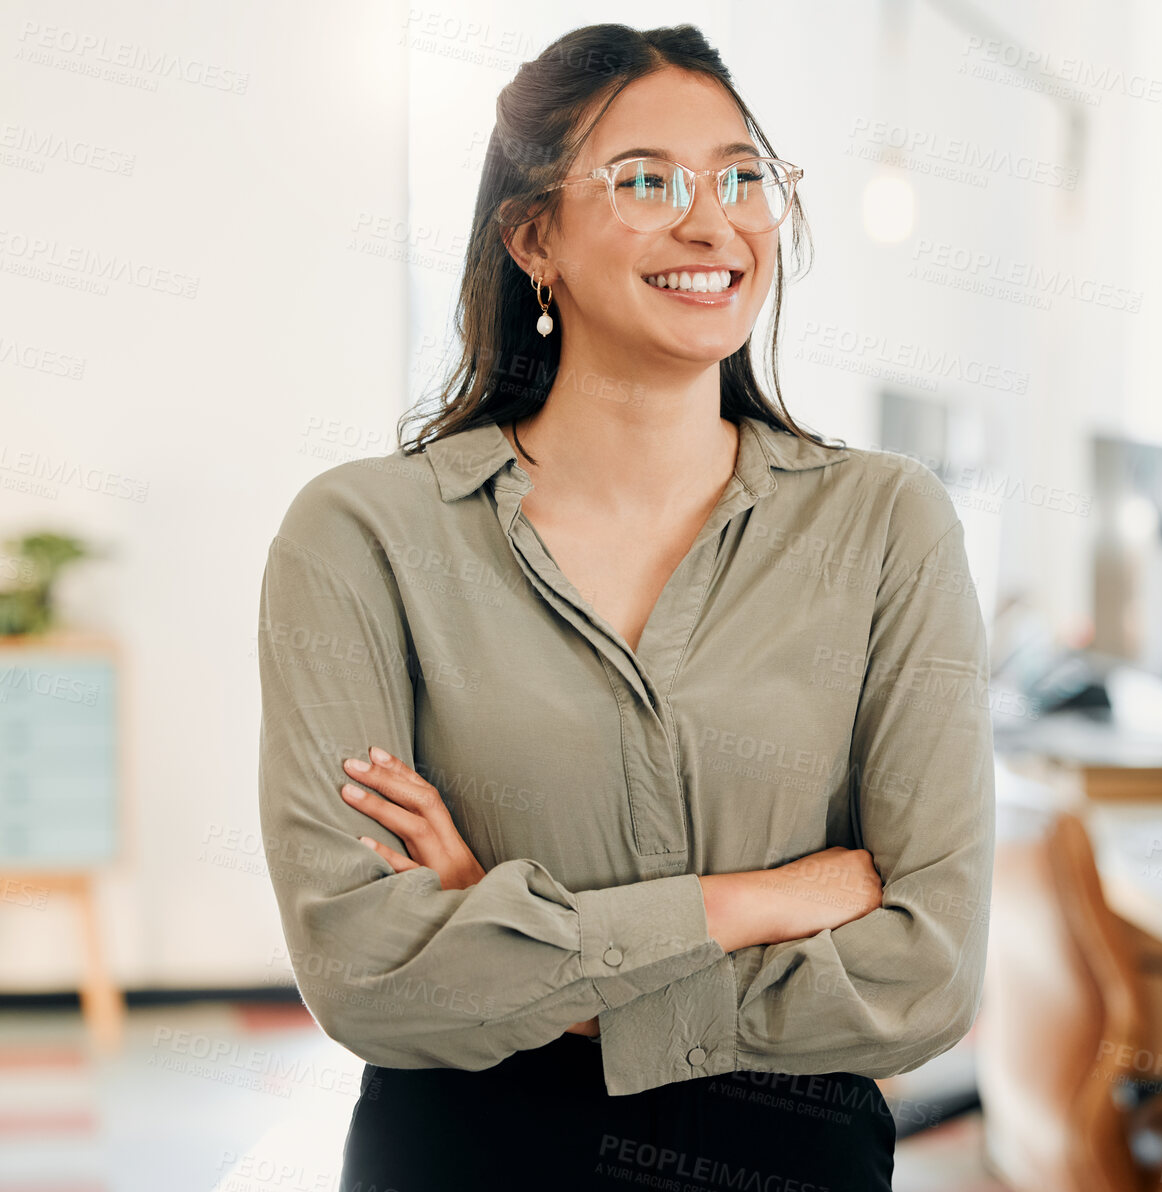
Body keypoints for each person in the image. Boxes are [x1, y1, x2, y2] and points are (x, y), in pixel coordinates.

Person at [255, 21, 995, 1191]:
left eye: (743, 177)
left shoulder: (888, 526)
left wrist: (516, 941)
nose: (714, 222)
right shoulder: (364, 537)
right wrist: (757, 901)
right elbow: (366, 975)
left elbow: (929, 974)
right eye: (648, 180)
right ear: (533, 233)